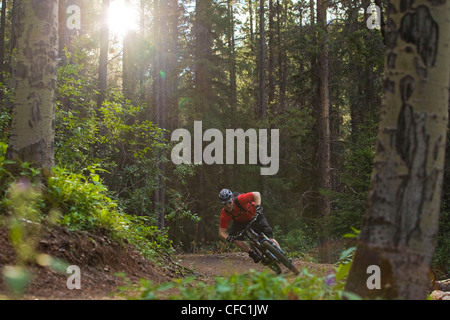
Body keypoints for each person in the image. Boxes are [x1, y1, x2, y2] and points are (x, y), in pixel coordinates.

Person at [218, 188, 280, 263]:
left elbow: (257, 194)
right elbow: (221, 232)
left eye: (229, 202)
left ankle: (281, 254)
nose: (228, 206)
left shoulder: (240, 199)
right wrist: (228, 238)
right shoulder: (224, 213)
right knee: (233, 237)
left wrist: (258, 208)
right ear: (222, 204)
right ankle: (252, 253)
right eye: (225, 204)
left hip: (255, 214)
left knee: (268, 234)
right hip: (240, 222)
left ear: (232, 199)